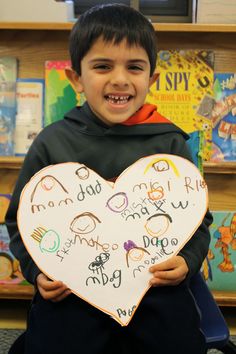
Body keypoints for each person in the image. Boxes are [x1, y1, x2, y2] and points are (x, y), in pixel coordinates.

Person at [6, 4, 213, 354]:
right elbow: (20, 221)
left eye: (134, 67)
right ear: (76, 78)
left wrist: (187, 262)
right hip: (75, 288)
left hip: (153, 287)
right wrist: (36, 272)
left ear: (151, 79)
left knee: (180, 343)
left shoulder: (170, 142)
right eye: (103, 66)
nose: (119, 79)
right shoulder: (52, 142)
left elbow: (197, 218)